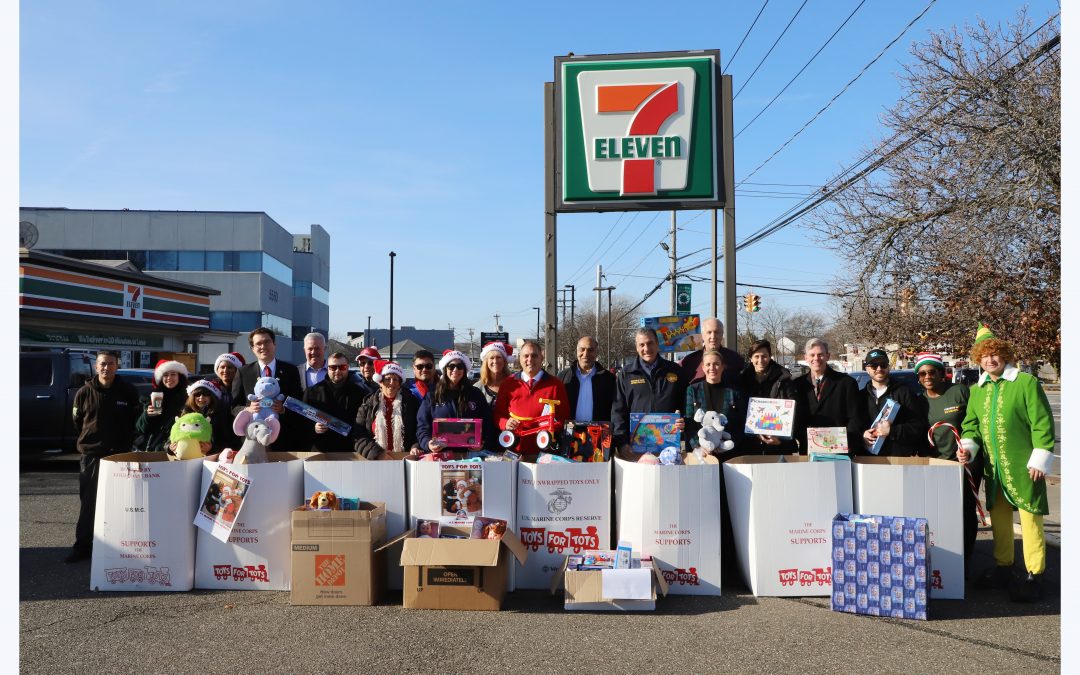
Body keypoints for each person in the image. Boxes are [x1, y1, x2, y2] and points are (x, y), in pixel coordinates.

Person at [960, 325, 1055, 602]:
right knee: (999, 517)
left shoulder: (1026, 383)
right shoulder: (977, 391)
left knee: (1030, 517)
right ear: (978, 359)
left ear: (1005, 355)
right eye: (984, 356)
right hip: (994, 469)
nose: (990, 360)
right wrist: (968, 448)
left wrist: (1040, 457)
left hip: (1025, 467)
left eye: (995, 354)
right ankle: (1004, 566)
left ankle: (1034, 573)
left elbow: (1042, 423)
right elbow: (971, 425)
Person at [67, 351, 140, 563]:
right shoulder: (84, 392)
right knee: (89, 503)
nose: (106, 368)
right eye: (102, 364)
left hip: (120, 456)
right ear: (96, 367)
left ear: (117, 366)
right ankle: (82, 546)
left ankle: (117, 548)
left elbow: (135, 421)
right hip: (92, 455)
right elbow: (77, 421)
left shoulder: (128, 391)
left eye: (110, 364)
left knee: (120, 503)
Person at [915, 351, 981, 571]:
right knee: (941, 511)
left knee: (966, 510)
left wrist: (970, 449)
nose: (927, 376)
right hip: (938, 464)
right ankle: (945, 557)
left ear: (941, 373)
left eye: (932, 372)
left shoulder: (959, 391)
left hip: (965, 462)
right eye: (922, 373)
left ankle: (966, 559)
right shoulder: (919, 401)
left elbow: (975, 421)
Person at [611, 327, 686, 458]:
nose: (646, 348)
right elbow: (618, 412)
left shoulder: (675, 370)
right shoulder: (626, 374)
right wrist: (622, 443)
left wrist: (683, 420)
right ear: (637, 347)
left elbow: (685, 404)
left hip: (668, 448)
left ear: (657, 344)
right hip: (635, 448)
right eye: (642, 345)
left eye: (650, 343)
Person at [492, 340, 571, 456]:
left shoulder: (556, 385)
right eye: (526, 356)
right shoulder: (508, 384)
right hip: (515, 452)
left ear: (541, 358)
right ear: (520, 359)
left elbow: (565, 418)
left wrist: (549, 426)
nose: (530, 360)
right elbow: (497, 415)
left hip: (545, 454)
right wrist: (505, 423)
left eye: (534, 356)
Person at [230, 327, 303, 450]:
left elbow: (299, 402)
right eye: (258, 343)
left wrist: (283, 409)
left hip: (284, 440)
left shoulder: (291, 370)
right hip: (253, 440)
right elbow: (234, 407)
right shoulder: (243, 372)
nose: (263, 346)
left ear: (274, 344)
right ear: (252, 348)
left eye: (267, 342)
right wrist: (248, 409)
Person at [792, 338, 865, 454]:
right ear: (806, 358)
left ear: (828, 356)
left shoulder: (846, 383)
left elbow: (855, 418)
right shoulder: (797, 385)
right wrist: (803, 437)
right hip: (809, 449)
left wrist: (847, 441)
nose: (816, 358)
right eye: (812, 355)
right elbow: (795, 419)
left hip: (839, 450)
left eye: (820, 354)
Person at [417, 350, 497, 454]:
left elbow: (488, 424)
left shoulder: (475, 394)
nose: (455, 370)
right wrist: (428, 444)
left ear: (464, 370)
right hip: (441, 455)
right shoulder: (432, 394)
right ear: (445, 369)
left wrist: (483, 443)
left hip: (470, 455)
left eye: (460, 366)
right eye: (451, 366)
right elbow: (423, 426)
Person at [859, 348, 928, 456]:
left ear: (888, 366)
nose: (879, 369)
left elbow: (917, 426)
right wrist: (862, 435)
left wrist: (892, 431)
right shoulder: (860, 396)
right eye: (874, 366)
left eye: (883, 365)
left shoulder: (904, 392)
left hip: (897, 459)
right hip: (868, 459)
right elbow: (854, 426)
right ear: (867, 369)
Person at [738, 339, 797, 454]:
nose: (760, 360)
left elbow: (794, 411)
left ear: (770, 357)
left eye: (764, 356)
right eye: (756, 356)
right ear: (750, 358)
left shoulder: (784, 378)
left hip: (777, 444)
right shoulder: (742, 379)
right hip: (749, 444)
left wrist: (781, 439)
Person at [354, 360, 422, 458]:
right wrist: (377, 453)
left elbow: (420, 429)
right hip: (376, 460)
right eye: (387, 379)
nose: (391, 383)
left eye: (395, 379)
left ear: (399, 383)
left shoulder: (411, 402)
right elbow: (358, 435)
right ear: (380, 382)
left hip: (404, 458)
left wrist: (416, 446)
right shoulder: (368, 404)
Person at [303, 352, 368, 453]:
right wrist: (314, 428)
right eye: (333, 367)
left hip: (350, 450)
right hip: (321, 451)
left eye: (342, 367)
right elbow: (301, 423)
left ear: (347, 367)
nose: (337, 371)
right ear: (327, 368)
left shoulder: (360, 394)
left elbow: (365, 425)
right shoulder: (312, 393)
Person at [135, 359, 190, 453]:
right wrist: (148, 415)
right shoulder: (152, 397)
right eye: (165, 375)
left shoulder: (188, 398)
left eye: (173, 374)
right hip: (154, 450)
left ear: (179, 376)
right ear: (160, 378)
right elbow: (140, 428)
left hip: (179, 448)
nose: (169, 378)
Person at [558, 336, 616, 422]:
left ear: (597, 353)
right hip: (569, 430)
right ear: (577, 352)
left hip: (598, 430)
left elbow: (615, 410)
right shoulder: (563, 377)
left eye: (590, 350)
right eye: (582, 349)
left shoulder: (609, 379)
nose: (585, 354)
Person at [679, 317, 745, 388]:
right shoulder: (688, 362)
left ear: (722, 334)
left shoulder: (735, 359)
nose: (713, 336)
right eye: (709, 332)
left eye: (717, 332)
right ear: (702, 335)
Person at [174, 378, 233, 455]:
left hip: (210, 458)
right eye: (197, 394)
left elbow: (226, 442)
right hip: (186, 457)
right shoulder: (185, 413)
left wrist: (211, 448)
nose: (201, 397)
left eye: (205, 394)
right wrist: (170, 447)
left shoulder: (219, 415)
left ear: (212, 396)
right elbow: (173, 435)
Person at [473, 341, 513, 406]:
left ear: (504, 361)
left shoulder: (514, 385)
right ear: (486, 362)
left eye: (498, 357)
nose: (495, 361)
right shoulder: (477, 388)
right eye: (491, 358)